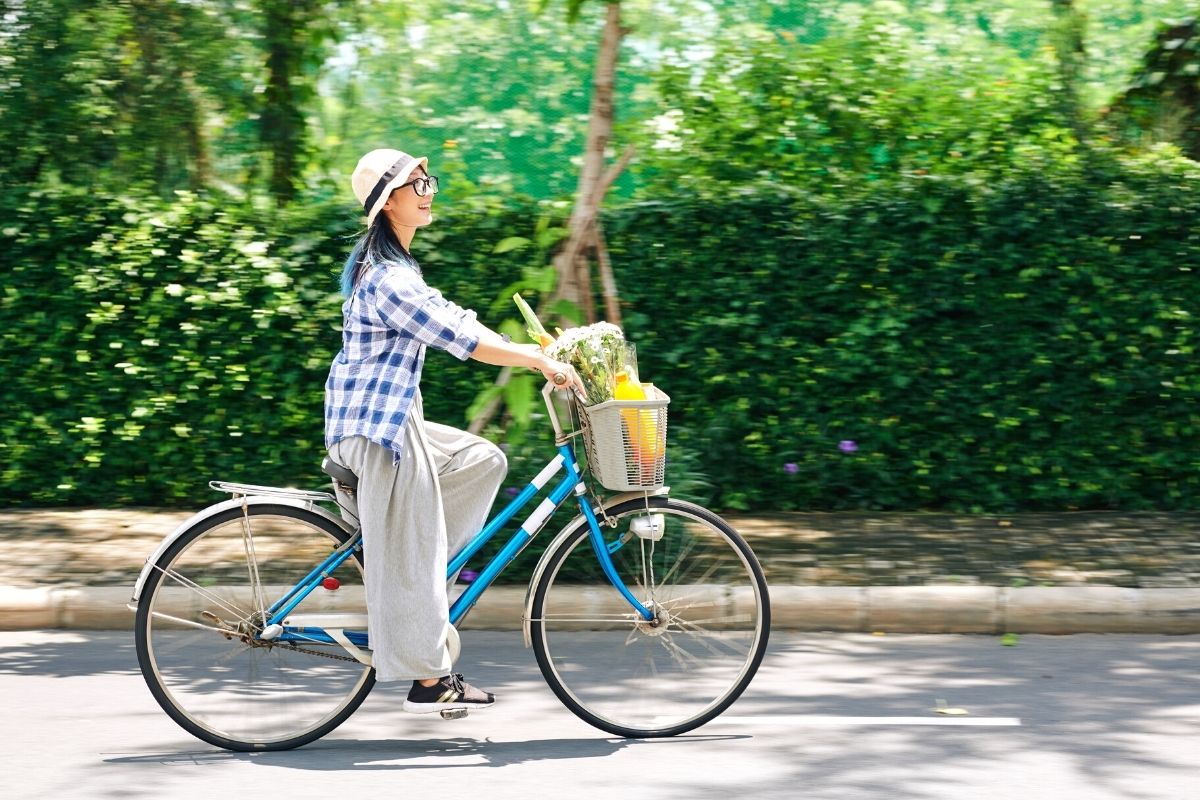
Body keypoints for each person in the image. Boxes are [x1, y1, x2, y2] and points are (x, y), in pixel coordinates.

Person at [324, 148, 580, 714]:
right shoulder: (389, 278)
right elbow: (455, 337)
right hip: (378, 433)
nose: (429, 190)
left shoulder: (400, 270)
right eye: (417, 184)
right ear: (387, 203)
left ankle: (423, 579)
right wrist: (537, 363)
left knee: (482, 459)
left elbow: (458, 317)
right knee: (414, 547)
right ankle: (428, 673)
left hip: (392, 422)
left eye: (426, 181)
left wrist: (535, 347)